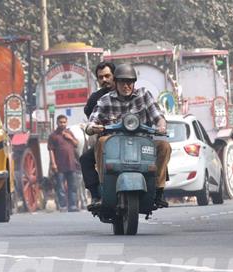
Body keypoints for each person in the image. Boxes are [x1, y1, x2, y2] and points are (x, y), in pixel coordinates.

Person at [86, 63, 170, 208]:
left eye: (130, 82)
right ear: (116, 82)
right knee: (101, 142)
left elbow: (158, 116)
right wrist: (93, 128)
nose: (126, 86)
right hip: (115, 145)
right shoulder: (105, 100)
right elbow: (91, 122)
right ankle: (103, 186)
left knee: (164, 146)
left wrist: (162, 126)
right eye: (122, 82)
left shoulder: (144, 95)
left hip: (143, 143)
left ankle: (158, 189)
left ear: (134, 83)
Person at [81, 62, 115, 209]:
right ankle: (96, 194)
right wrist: (96, 127)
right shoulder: (97, 99)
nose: (104, 80)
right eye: (101, 77)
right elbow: (91, 117)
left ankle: (157, 190)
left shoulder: (135, 94)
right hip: (106, 141)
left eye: (108, 76)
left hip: (132, 140)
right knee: (85, 159)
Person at [48, 114, 80, 212]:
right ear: (57, 123)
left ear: (67, 123)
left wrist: (70, 137)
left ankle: (73, 205)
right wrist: (53, 163)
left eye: (64, 122)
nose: (62, 124)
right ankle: (62, 206)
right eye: (61, 122)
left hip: (71, 164)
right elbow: (51, 150)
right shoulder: (53, 135)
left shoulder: (69, 133)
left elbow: (76, 144)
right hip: (59, 165)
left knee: (73, 186)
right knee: (60, 187)